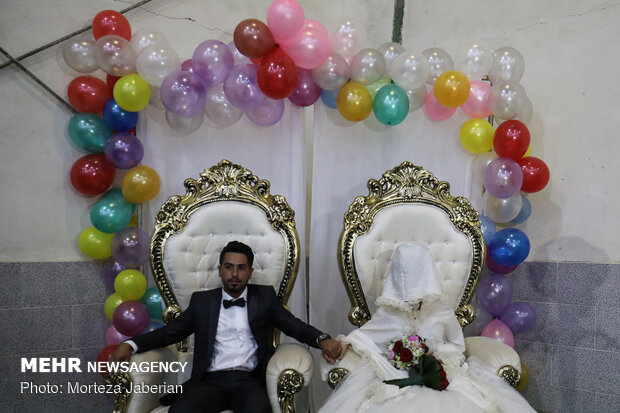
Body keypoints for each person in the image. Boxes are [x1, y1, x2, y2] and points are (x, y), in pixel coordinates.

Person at [111, 240, 343, 413]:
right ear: (220, 269)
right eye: (229, 267)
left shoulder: (264, 298)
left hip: (249, 381)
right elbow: (171, 332)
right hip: (210, 381)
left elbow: (295, 326)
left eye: (241, 268)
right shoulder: (202, 302)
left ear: (250, 272)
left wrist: (323, 340)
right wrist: (130, 344)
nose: (234, 274)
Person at [319, 242, 536, 413]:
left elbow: (457, 346)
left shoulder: (441, 312)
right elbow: (365, 336)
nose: (414, 301)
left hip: (443, 378)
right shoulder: (389, 313)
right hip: (396, 380)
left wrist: (435, 355)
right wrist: (343, 343)